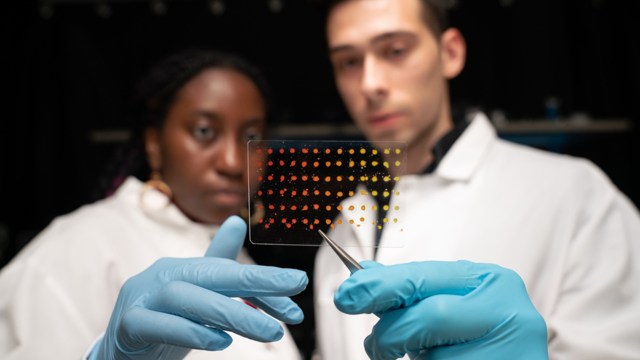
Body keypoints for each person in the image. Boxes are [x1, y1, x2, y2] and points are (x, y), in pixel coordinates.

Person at [312, 0, 640, 359]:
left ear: (450, 52)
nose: (370, 84)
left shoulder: (577, 195)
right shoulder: (345, 226)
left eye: (395, 51)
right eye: (349, 62)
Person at [0, 49, 308, 359]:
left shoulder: (229, 249)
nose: (231, 162)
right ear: (154, 143)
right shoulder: (74, 248)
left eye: (251, 136)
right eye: (204, 131)